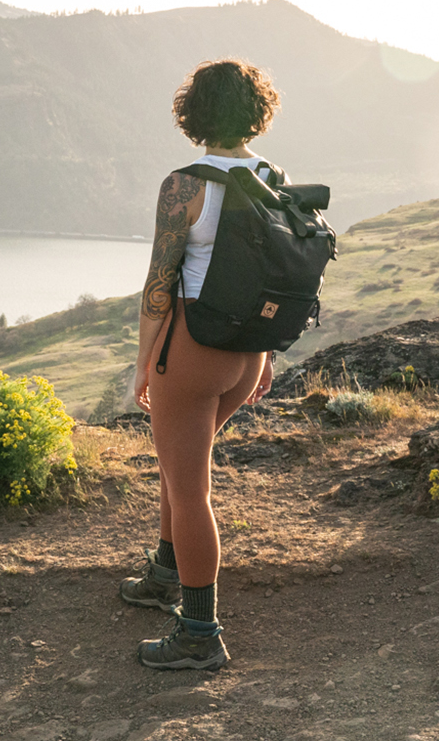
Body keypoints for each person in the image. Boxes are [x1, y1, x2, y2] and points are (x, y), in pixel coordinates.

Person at [118, 57, 281, 671]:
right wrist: (264, 357)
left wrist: (143, 362)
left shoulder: (184, 185)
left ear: (193, 114)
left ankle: (198, 633)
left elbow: (160, 284)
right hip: (246, 354)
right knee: (178, 461)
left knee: (190, 490)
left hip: (191, 349)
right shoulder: (271, 177)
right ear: (255, 112)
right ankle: (165, 571)